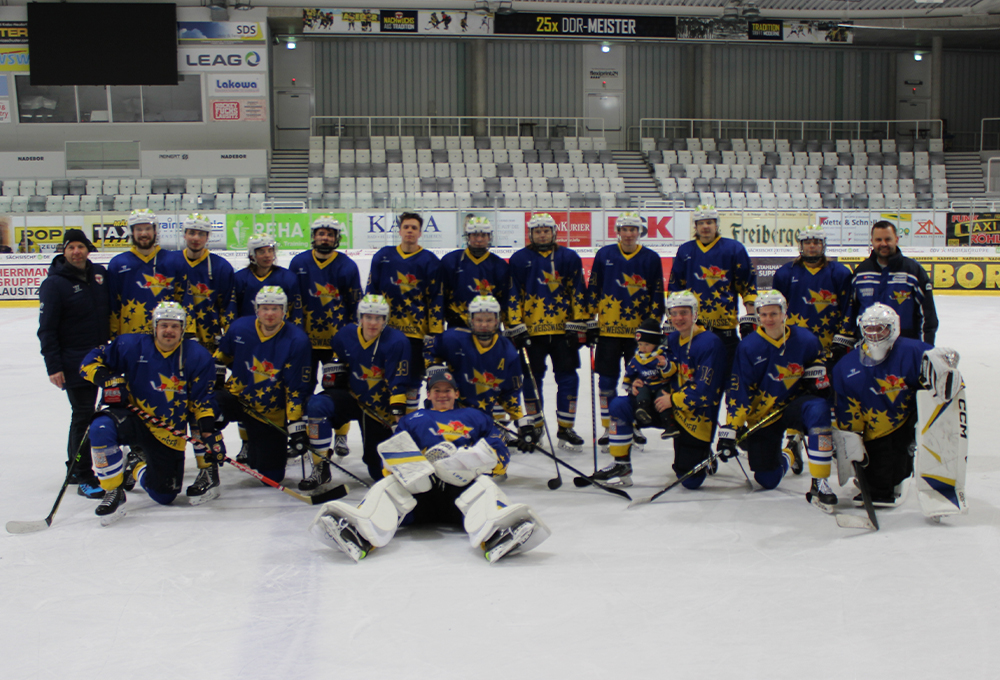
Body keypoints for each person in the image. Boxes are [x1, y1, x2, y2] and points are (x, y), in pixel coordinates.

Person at [309, 367, 550, 563]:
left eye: (447, 390)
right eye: (437, 390)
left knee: (485, 485)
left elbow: (500, 455)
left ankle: (497, 535)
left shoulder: (476, 417)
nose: (442, 395)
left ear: (456, 393)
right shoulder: (413, 420)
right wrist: (417, 467)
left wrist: (468, 463)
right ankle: (360, 534)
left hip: (460, 495)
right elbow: (389, 462)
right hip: (419, 497)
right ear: (429, 394)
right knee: (389, 485)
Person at [79, 301, 222, 525]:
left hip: (168, 431)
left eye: (175, 326)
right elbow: (88, 362)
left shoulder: (197, 356)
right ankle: (113, 491)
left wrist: (209, 433)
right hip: (134, 417)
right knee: (100, 427)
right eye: (163, 325)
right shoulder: (130, 345)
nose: (168, 331)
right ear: (154, 326)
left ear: (183, 329)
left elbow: (202, 400)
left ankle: (137, 466)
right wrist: (106, 379)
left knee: (164, 495)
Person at [832, 303, 960, 506]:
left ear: (894, 328)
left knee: (887, 478)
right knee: (876, 476)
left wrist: (944, 367)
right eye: (869, 328)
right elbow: (847, 408)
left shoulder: (915, 351)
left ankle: (899, 468)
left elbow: (939, 388)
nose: (874, 334)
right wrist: (851, 439)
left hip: (903, 422)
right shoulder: (846, 366)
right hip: (872, 429)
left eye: (880, 328)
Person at [718, 290, 837, 506]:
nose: (768, 320)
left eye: (773, 314)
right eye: (763, 315)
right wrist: (732, 428)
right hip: (764, 415)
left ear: (784, 313)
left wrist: (818, 374)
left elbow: (819, 360)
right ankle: (790, 451)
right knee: (767, 479)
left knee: (819, 409)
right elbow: (739, 391)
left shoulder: (805, 339)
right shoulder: (748, 347)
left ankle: (821, 481)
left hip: (795, 405)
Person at [597, 292, 726, 488]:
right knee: (619, 405)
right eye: (674, 313)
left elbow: (705, 391)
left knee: (690, 481)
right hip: (665, 405)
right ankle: (621, 463)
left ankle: (702, 449)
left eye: (684, 312)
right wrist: (638, 382)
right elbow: (652, 365)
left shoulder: (710, 343)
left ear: (695, 314)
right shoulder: (672, 339)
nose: (678, 318)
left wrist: (672, 400)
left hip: (694, 414)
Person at [213, 286, 312, 492]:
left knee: (271, 476)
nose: (269, 314)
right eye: (265, 308)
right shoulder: (240, 328)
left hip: (269, 412)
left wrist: (295, 425)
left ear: (284, 311)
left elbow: (295, 388)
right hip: (237, 399)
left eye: (275, 308)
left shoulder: (297, 340)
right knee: (209, 403)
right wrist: (213, 381)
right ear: (256, 309)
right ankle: (210, 455)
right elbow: (221, 357)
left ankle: (256, 445)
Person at [305, 294, 411, 484]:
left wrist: (398, 422)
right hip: (352, 397)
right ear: (360, 318)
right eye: (368, 317)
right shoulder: (345, 335)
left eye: (378, 318)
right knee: (317, 404)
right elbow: (337, 359)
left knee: (378, 473)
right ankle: (320, 464)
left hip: (378, 409)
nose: (372, 323)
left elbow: (398, 383)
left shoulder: (397, 342)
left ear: (385, 320)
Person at [771, 224, 853, 466]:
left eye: (816, 241)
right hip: (797, 346)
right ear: (801, 245)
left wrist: (844, 337)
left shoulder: (840, 272)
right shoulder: (785, 273)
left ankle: (830, 437)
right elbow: (776, 311)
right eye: (808, 242)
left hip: (832, 346)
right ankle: (793, 441)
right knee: (794, 391)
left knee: (830, 392)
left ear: (823, 244)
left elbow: (850, 307)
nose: (812, 246)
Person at [506, 213, 589, 451]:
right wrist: (515, 325)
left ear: (554, 232)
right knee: (532, 380)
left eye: (546, 230)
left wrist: (579, 322)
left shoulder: (569, 257)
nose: (542, 234)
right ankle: (536, 425)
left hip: (563, 331)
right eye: (537, 231)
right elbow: (513, 293)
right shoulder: (519, 258)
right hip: (531, 332)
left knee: (568, 377)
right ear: (530, 234)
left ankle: (566, 427)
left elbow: (578, 291)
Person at [38, 228, 111, 499]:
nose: (76, 252)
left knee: (103, 412)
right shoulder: (54, 284)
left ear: (88, 250)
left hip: (104, 358)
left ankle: (73, 467)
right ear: (64, 251)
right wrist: (53, 366)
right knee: (83, 415)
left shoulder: (100, 275)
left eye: (80, 247)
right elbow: (47, 329)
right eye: (71, 247)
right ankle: (83, 474)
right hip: (74, 362)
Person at [588, 211, 665, 448]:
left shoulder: (651, 258)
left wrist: (652, 328)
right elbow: (594, 287)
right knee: (607, 382)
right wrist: (590, 320)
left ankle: (631, 424)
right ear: (618, 231)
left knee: (638, 380)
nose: (629, 234)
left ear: (640, 232)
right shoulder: (605, 254)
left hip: (638, 335)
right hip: (608, 331)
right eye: (625, 229)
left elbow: (657, 293)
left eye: (634, 229)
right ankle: (608, 426)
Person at [290, 216, 362, 456]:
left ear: (336, 238)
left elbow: (355, 304)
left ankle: (340, 437)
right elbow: (292, 302)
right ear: (313, 236)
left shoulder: (347, 266)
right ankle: (301, 435)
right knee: (302, 388)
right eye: (321, 233)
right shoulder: (298, 262)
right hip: (304, 340)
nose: (325, 238)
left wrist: (351, 338)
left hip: (337, 342)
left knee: (339, 390)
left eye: (330, 234)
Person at [429, 295, 525, 476]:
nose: (484, 324)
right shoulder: (453, 338)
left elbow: (509, 392)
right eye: (479, 320)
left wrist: (521, 421)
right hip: (448, 412)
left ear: (497, 320)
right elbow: (429, 349)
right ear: (470, 320)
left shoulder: (508, 350)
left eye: (489, 320)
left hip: (481, 418)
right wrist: (433, 366)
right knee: (448, 452)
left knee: (498, 460)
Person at [367, 211, 443, 412]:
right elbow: (371, 292)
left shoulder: (430, 261)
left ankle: (409, 420)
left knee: (414, 379)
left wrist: (434, 332)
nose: (410, 231)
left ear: (420, 233)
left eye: (414, 228)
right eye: (406, 227)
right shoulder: (383, 256)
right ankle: (388, 420)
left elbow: (436, 298)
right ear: (400, 230)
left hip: (416, 333)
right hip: (386, 332)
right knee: (385, 375)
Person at [667, 204, 757, 376]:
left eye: (709, 222)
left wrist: (751, 316)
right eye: (701, 223)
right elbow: (676, 287)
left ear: (717, 225)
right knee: (694, 378)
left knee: (731, 379)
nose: (705, 226)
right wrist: (673, 317)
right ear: (695, 226)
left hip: (725, 327)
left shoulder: (734, 249)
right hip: (692, 328)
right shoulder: (685, 250)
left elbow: (747, 284)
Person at [835, 220, 938, 363]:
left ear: (896, 239)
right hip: (868, 349)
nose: (883, 244)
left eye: (888, 239)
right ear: (872, 241)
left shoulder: (913, 271)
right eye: (878, 240)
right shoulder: (861, 273)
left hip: (905, 348)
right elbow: (851, 313)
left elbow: (928, 317)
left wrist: (926, 349)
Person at [595, 319, 678, 487]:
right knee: (618, 405)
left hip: (676, 403)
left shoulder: (673, 351)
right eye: (640, 344)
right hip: (649, 400)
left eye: (646, 344)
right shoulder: (639, 357)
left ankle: (695, 444)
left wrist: (673, 394)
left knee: (690, 477)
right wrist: (633, 384)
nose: (642, 347)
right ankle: (621, 464)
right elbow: (631, 374)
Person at [106, 209, 180, 337]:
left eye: (147, 228)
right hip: (130, 339)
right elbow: (113, 306)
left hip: (167, 338)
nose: (143, 233)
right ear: (131, 232)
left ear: (155, 231)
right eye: (139, 229)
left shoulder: (174, 261)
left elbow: (183, 299)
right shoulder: (117, 264)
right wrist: (113, 337)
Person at [176, 213, 235, 353]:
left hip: (209, 341)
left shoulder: (221, 267)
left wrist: (228, 339)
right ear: (184, 235)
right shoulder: (172, 263)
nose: (196, 238)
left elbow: (227, 307)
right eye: (192, 233)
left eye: (201, 234)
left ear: (207, 237)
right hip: (174, 339)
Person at [439, 216, 510, 329]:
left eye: (483, 235)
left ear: (489, 237)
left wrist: (509, 329)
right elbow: (440, 296)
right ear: (468, 236)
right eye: (475, 235)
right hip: (457, 327)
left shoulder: (499, 265)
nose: (479, 240)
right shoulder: (451, 261)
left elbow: (506, 301)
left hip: (488, 328)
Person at [233, 233, 303, 323]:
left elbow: (295, 311)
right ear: (252, 255)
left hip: (279, 332)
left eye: (270, 250)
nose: (267, 255)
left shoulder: (288, 278)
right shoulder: (239, 279)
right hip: (249, 332)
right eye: (262, 252)